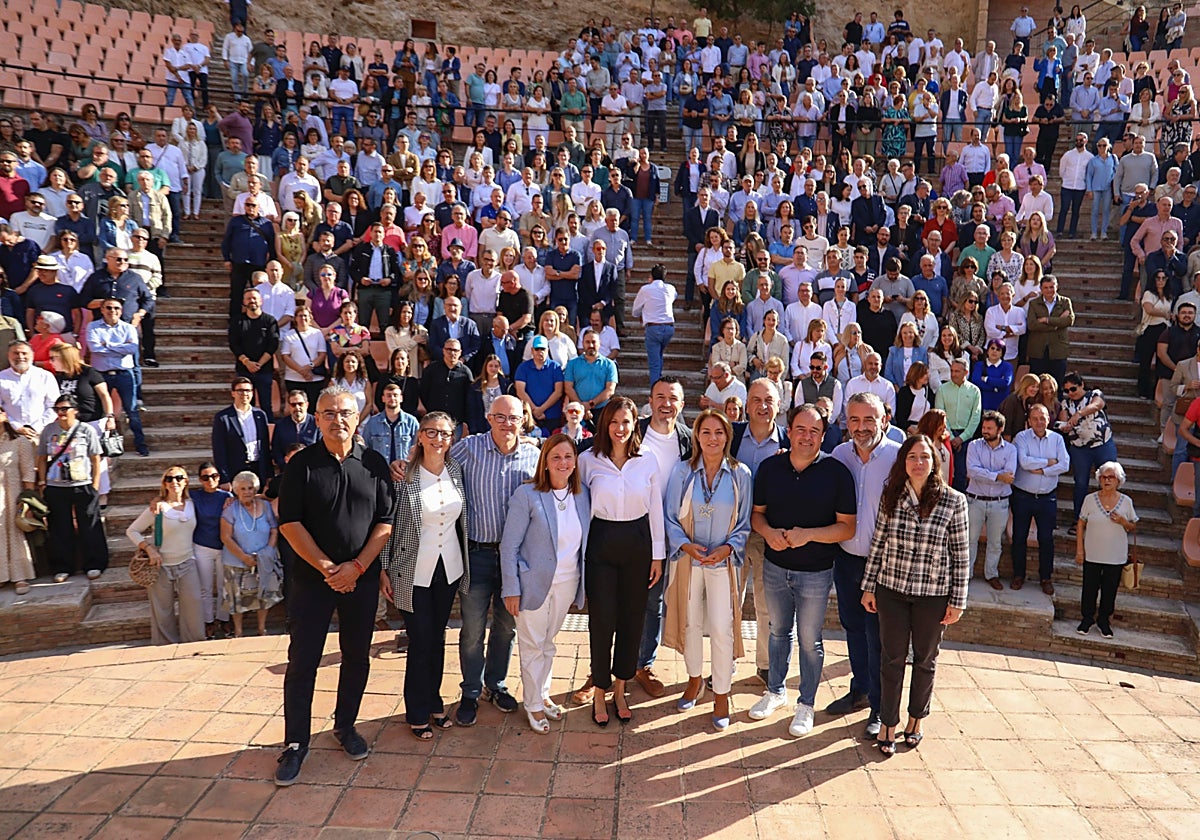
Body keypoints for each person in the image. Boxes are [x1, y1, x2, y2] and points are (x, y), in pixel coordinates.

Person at [275, 386, 395, 785]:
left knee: (357, 656)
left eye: (344, 412)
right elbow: (290, 523)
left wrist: (358, 567)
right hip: (313, 580)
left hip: (359, 580)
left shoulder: (374, 464)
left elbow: (385, 521)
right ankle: (295, 743)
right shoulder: (301, 465)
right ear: (317, 418)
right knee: (303, 661)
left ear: (357, 416)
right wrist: (330, 568)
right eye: (328, 413)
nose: (336, 419)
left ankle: (345, 725)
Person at [750, 403, 856, 737]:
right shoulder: (770, 468)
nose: (806, 437)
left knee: (810, 640)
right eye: (800, 429)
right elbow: (757, 515)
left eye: (814, 431)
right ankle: (775, 692)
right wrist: (768, 533)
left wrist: (808, 535)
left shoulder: (836, 473)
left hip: (816, 572)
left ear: (823, 436)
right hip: (775, 567)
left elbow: (847, 528)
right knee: (778, 631)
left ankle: (805, 704)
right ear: (789, 429)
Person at [861, 434, 969, 755]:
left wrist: (958, 601)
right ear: (903, 462)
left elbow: (960, 555)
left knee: (925, 659)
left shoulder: (953, 500)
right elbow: (878, 543)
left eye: (924, 457)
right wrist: (869, 585)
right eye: (912, 457)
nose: (918, 463)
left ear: (934, 461)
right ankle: (888, 724)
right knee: (891, 658)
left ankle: (915, 721)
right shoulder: (891, 495)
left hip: (933, 594)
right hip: (891, 589)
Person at [447, 394, 540, 726]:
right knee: (472, 629)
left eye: (513, 418)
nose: (507, 424)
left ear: (522, 420)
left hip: (515, 560)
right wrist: (404, 462)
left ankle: (495, 684)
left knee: (505, 627)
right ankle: (470, 691)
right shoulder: (468, 449)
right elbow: (433, 457)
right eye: (500, 417)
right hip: (477, 554)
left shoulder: (533, 455)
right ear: (489, 418)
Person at [662, 410, 753, 731]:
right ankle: (694, 680)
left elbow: (744, 523)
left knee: (721, 627)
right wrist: (686, 546)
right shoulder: (681, 472)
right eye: (706, 432)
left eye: (719, 433)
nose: (712, 438)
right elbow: (669, 517)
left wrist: (728, 548)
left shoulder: (740, 474)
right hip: (687, 559)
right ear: (697, 436)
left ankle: (722, 695)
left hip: (723, 562)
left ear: (727, 437)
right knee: (690, 623)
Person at [578, 396, 665, 726]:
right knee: (601, 620)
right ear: (605, 425)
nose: (620, 428)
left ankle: (620, 687)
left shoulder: (648, 460)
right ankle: (599, 689)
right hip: (601, 543)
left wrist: (657, 554)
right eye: (613, 422)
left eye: (626, 422)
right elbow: (580, 507)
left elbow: (655, 508)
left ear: (635, 424)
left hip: (638, 544)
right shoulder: (588, 460)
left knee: (632, 619)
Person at [380, 410, 468, 739]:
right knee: (420, 640)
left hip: (449, 567)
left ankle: (434, 700)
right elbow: (389, 524)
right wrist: (384, 568)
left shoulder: (456, 471)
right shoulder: (404, 476)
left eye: (444, 433)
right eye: (431, 432)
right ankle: (416, 710)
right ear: (420, 436)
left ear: (451, 439)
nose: (438, 439)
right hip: (412, 569)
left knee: (438, 637)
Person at [500, 433, 590, 733]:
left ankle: (543, 693)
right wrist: (511, 588)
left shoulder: (581, 495)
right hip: (532, 585)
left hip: (567, 582)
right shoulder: (527, 494)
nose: (563, 462)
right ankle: (533, 704)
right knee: (532, 645)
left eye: (568, 457)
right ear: (545, 463)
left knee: (549, 643)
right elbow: (509, 546)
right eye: (556, 457)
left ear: (575, 462)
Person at [828, 392, 899, 737]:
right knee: (853, 628)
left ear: (884, 419)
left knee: (879, 636)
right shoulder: (840, 455)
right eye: (854, 420)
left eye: (869, 419)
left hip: (883, 564)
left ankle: (880, 707)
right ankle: (860, 689)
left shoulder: (899, 458)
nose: (861, 427)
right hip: (846, 560)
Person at [125, 466, 206, 644]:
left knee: (193, 606)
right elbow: (132, 531)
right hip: (161, 565)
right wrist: (149, 548)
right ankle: (165, 646)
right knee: (162, 610)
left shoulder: (193, 504)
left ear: (185, 481)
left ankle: (194, 644)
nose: (174, 482)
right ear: (164, 483)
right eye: (169, 479)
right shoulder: (158, 508)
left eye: (178, 478)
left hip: (187, 562)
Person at [36, 394, 106, 582]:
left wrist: (95, 485)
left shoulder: (86, 430)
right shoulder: (48, 431)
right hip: (56, 484)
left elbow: (95, 459)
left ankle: (94, 563)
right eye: (57, 409)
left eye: (64, 409)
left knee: (89, 524)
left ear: (75, 410)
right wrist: (42, 482)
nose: (60, 413)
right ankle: (62, 566)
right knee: (59, 526)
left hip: (82, 483)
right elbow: (42, 458)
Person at [1012, 403, 1070, 593]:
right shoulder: (1021, 438)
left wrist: (1042, 470)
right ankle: (1018, 575)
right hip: (1023, 496)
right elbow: (1024, 462)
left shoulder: (1057, 439)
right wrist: (1049, 463)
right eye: (1035, 418)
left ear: (1049, 419)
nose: (1039, 422)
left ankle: (1045, 578)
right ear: (1029, 420)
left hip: (1047, 498)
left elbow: (1065, 465)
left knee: (1046, 539)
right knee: (1019, 537)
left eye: (1042, 418)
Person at [1075, 461, 1138, 638]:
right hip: (1092, 553)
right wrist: (1080, 550)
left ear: (1118, 480)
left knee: (1110, 590)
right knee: (1089, 588)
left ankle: (1104, 620)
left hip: (1115, 555)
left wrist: (1123, 522)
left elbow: (1133, 526)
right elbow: (1081, 523)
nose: (1107, 480)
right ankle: (1087, 619)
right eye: (1103, 477)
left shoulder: (1126, 501)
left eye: (1111, 477)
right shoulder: (1089, 499)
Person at [965, 411, 1017, 590]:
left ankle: (991, 574)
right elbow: (972, 471)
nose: (985, 431)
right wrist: (996, 476)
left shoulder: (1011, 449)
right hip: (975, 500)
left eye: (989, 428)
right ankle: (967, 574)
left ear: (1000, 429)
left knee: (995, 542)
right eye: (984, 427)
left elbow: (1009, 476)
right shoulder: (974, 446)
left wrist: (987, 474)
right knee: (970, 540)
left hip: (999, 502)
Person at [1060, 371, 1118, 526]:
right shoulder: (1066, 403)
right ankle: (1079, 519)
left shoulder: (1094, 394)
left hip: (1102, 444)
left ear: (1082, 385)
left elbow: (1098, 405)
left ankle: (1109, 515)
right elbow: (1063, 418)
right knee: (1080, 483)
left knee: (1109, 478)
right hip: (1080, 448)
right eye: (1066, 391)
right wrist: (1065, 425)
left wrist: (1079, 414)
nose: (1070, 393)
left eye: (1073, 389)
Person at [211, 377, 272, 486]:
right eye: (240, 390)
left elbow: (265, 446)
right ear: (233, 393)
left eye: (248, 390)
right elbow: (219, 450)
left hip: (258, 468)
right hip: (236, 470)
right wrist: (224, 478)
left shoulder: (260, 415)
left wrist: (268, 475)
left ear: (252, 393)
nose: (244, 394)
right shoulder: (223, 417)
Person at [632, 263, 676, 386]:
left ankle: (655, 389)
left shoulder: (646, 289)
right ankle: (659, 382)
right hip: (668, 327)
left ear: (651, 276)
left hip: (653, 327)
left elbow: (635, 311)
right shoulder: (671, 288)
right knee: (659, 356)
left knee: (654, 363)